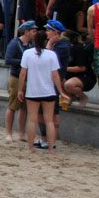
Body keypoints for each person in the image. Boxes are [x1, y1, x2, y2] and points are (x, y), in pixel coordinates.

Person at [18, 25, 69, 154]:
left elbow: (23, 73)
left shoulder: (28, 53)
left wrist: (20, 89)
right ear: (46, 41)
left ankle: (30, 148)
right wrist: (61, 91)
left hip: (33, 91)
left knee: (32, 120)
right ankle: (51, 148)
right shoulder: (51, 54)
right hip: (48, 91)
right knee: (49, 120)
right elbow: (55, 75)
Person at [4, 21, 36, 143]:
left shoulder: (31, 44)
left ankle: (21, 133)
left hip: (28, 78)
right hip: (17, 78)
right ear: (26, 32)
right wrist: (24, 61)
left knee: (24, 108)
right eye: (33, 31)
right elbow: (8, 60)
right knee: (12, 106)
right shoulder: (15, 43)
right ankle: (8, 133)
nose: (35, 33)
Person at [63, 30, 96, 107]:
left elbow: (82, 68)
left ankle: (82, 97)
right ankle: (70, 97)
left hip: (85, 77)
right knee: (57, 80)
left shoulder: (78, 49)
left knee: (69, 84)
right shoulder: (62, 49)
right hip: (70, 76)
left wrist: (64, 68)